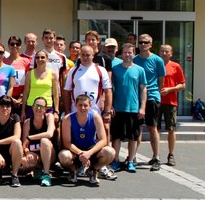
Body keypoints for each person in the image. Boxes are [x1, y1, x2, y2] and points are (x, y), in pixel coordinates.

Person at [59, 95, 115, 186]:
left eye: (85, 105)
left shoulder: (95, 117)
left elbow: (103, 140)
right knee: (63, 156)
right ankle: (74, 170)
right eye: (80, 105)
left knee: (110, 152)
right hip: (75, 151)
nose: (83, 108)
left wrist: (89, 153)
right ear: (75, 105)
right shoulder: (67, 119)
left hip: (91, 150)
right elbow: (67, 143)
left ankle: (93, 170)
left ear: (90, 106)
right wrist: (81, 153)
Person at [110, 43, 147, 173]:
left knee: (133, 137)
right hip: (118, 108)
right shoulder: (115, 69)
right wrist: (111, 105)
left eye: (130, 52)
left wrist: (142, 107)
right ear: (122, 54)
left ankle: (130, 161)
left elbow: (143, 89)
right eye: (125, 52)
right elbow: (110, 89)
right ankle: (115, 160)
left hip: (133, 108)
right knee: (117, 137)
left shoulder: (139, 70)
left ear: (134, 54)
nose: (127, 55)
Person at [134, 34, 166, 171]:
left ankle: (156, 157)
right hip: (137, 98)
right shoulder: (134, 59)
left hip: (152, 97)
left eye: (145, 42)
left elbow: (161, 80)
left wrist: (156, 93)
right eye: (140, 42)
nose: (142, 44)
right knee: (138, 128)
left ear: (151, 44)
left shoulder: (157, 60)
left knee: (152, 127)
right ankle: (132, 156)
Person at [159, 44, 185, 166]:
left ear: (171, 54)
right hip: (156, 101)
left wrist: (170, 89)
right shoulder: (155, 64)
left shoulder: (176, 66)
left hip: (170, 102)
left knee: (171, 129)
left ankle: (171, 154)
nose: (164, 53)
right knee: (155, 129)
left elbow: (182, 85)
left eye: (167, 51)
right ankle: (156, 155)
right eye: (162, 51)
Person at [20, 97, 56, 186]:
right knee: (24, 160)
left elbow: (49, 134)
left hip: (50, 154)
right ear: (32, 107)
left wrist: (30, 137)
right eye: (36, 106)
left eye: (41, 106)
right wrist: (27, 153)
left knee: (44, 141)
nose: (39, 108)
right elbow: (24, 145)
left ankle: (46, 174)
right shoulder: (27, 122)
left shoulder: (49, 117)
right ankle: (37, 168)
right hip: (35, 154)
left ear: (45, 109)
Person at [21, 50, 59, 120]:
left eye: (42, 57)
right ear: (35, 60)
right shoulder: (29, 74)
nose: (40, 59)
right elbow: (25, 93)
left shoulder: (53, 74)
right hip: (31, 106)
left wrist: (56, 111)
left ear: (47, 59)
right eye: (37, 57)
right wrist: (23, 111)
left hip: (47, 107)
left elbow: (55, 94)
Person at [4, 36, 31, 112]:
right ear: (8, 46)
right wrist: (9, 97)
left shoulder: (26, 61)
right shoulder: (4, 62)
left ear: (20, 46)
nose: (15, 46)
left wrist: (21, 97)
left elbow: (28, 82)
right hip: (7, 97)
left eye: (17, 44)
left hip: (22, 98)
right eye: (12, 44)